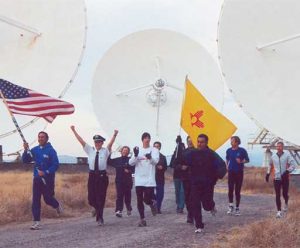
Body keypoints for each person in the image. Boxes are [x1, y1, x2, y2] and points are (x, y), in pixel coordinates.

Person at [70, 125, 118, 226]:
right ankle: (96, 208)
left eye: (99, 142)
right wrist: (74, 131)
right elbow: (81, 141)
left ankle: (100, 217)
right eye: (96, 142)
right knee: (91, 198)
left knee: (101, 197)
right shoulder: (90, 150)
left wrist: (114, 135)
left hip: (102, 176)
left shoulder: (105, 151)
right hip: (92, 176)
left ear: (102, 143)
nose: (97, 143)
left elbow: (110, 144)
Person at [22, 131, 63, 230]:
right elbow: (26, 160)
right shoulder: (35, 150)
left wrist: (46, 172)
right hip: (37, 179)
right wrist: (25, 150)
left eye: (42, 137)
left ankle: (57, 205)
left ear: (46, 139)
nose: (40, 139)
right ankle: (36, 222)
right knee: (35, 200)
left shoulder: (51, 151)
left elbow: (56, 165)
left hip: (47, 179)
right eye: (39, 137)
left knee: (47, 199)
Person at [183, 134, 218, 233]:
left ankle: (211, 206)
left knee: (206, 205)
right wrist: (179, 146)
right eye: (198, 141)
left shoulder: (211, 154)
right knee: (195, 204)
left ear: (206, 143)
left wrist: (214, 180)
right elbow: (182, 159)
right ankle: (199, 226)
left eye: (202, 142)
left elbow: (220, 167)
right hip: (195, 183)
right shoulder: (192, 153)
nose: (199, 144)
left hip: (208, 184)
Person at [129, 132, 159, 227]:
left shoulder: (154, 150)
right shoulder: (138, 150)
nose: (147, 139)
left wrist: (150, 158)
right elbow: (131, 163)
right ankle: (142, 219)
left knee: (146, 199)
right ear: (142, 140)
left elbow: (155, 162)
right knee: (139, 200)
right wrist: (135, 155)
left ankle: (152, 203)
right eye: (145, 138)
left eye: (148, 138)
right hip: (139, 179)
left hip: (149, 179)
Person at [265, 141, 296, 218]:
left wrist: (287, 171)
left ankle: (286, 202)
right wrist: (268, 173)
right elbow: (269, 165)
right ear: (276, 147)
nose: (278, 147)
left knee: (285, 194)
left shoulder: (287, 155)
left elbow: (293, 165)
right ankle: (279, 212)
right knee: (277, 195)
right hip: (277, 178)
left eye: (280, 146)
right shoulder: (273, 156)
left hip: (285, 178)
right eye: (277, 146)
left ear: (283, 147)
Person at [226, 136, 249, 216]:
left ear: (237, 142)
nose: (231, 142)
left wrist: (241, 161)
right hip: (231, 172)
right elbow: (227, 159)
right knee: (230, 190)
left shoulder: (242, 151)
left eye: (232, 141)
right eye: (231, 141)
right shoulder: (228, 150)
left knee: (237, 191)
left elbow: (247, 160)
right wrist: (227, 167)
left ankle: (237, 208)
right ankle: (230, 206)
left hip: (239, 172)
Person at [107, 146, 133, 218]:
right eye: (124, 150)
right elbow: (108, 161)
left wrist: (129, 171)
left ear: (128, 152)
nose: (125, 152)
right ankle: (119, 210)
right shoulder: (117, 160)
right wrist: (110, 153)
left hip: (128, 181)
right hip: (119, 181)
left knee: (127, 196)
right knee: (119, 196)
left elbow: (134, 169)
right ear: (121, 151)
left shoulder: (130, 160)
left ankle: (129, 208)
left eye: (126, 151)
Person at [169, 135, 186, 214]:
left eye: (182, 147)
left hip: (185, 176)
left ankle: (181, 206)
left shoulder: (186, 154)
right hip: (176, 176)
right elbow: (172, 164)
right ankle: (178, 204)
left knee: (182, 192)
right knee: (177, 191)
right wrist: (179, 166)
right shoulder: (174, 155)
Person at [153, 141, 168, 214]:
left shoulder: (163, 157)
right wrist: (156, 166)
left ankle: (158, 208)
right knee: (149, 194)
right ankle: (154, 203)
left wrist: (162, 168)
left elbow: (165, 167)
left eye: (158, 146)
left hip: (160, 177)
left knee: (160, 194)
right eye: (155, 146)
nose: (156, 147)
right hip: (151, 178)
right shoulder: (149, 156)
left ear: (160, 147)